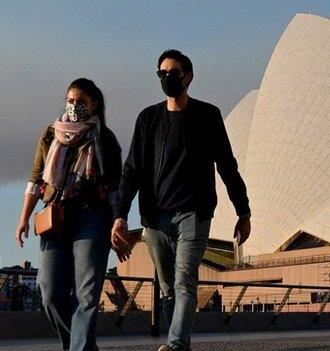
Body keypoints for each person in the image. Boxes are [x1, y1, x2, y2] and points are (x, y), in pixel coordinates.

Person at [111, 49, 251, 351]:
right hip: (155, 217)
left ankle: (174, 345)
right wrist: (120, 214)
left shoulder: (208, 116)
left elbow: (227, 165)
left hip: (194, 213)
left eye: (173, 72)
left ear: (188, 76)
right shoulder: (148, 118)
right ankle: (180, 345)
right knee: (167, 288)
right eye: (162, 73)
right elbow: (132, 169)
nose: (167, 78)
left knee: (185, 280)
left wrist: (244, 211)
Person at [15, 78, 122, 351]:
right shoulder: (51, 133)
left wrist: (118, 224)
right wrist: (23, 218)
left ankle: (79, 347)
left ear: (94, 104)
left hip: (93, 218)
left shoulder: (105, 139)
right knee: (48, 291)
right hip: (56, 215)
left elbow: (114, 190)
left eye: (81, 102)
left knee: (87, 294)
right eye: (71, 101)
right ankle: (75, 344)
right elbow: (35, 180)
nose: (74, 107)